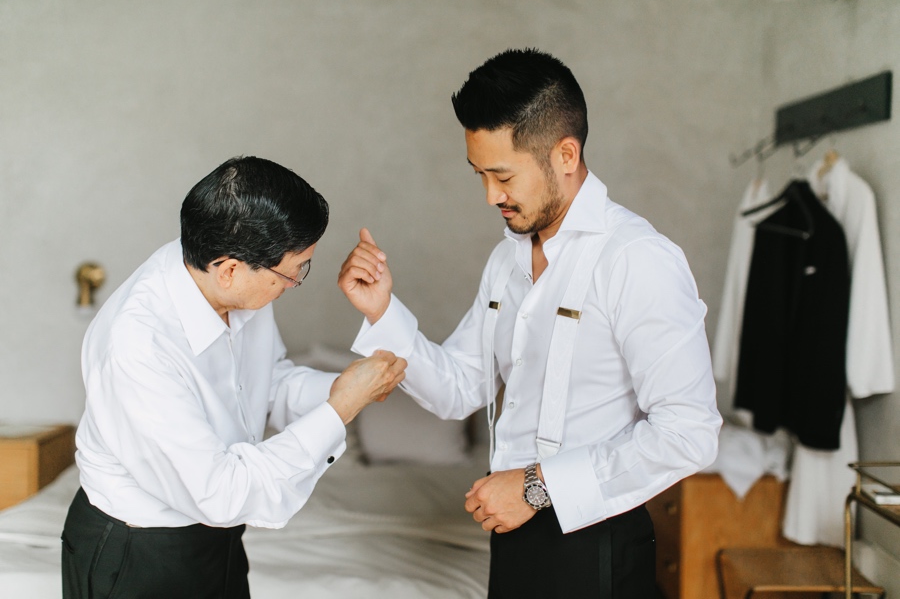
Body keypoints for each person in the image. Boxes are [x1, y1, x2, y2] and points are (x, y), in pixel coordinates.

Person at [338, 48, 721, 598]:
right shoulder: (507, 259)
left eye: (502, 175)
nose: (491, 195)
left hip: (597, 544)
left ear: (566, 154)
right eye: (480, 175)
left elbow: (690, 434)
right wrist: (381, 311)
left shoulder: (637, 258)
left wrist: (537, 489)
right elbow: (458, 388)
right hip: (512, 533)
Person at [62, 156, 407, 599]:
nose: (294, 282)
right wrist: (341, 409)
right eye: (293, 270)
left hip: (217, 536)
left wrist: (343, 389)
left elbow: (264, 382)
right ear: (229, 269)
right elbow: (221, 492)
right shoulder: (138, 346)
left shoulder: (227, 283)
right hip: (138, 549)